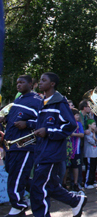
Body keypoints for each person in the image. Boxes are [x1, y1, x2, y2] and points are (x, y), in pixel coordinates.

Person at [31, 72, 87, 217]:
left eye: (44, 80)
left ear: (52, 84)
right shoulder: (42, 102)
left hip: (51, 152)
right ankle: (75, 201)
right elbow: (40, 125)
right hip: (42, 151)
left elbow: (70, 125)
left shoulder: (59, 102)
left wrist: (48, 131)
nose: (40, 82)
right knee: (50, 186)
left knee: (39, 187)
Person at [1, 75, 42, 217]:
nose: (18, 85)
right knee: (15, 174)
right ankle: (43, 192)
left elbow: (44, 123)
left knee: (17, 176)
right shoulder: (19, 99)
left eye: (22, 82)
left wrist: (27, 124)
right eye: (17, 82)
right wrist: (5, 119)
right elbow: (16, 118)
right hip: (11, 145)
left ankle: (18, 206)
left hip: (24, 146)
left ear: (31, 84)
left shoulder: (37, 101)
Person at [63, 108, 84, 192]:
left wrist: (74, 134)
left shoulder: (79, 124)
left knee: (76, 166)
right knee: (66, 167)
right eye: (76, 115)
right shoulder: (67, 124)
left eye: (78, 115)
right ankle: (64, 184)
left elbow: (82, 134)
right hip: (67, 149)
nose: (78, 116)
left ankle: (75, 183)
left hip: (76, 149)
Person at [84, 119, 97, 189]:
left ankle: (92, 181)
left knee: (94, 168)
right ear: (89, 125)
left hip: (94, 154)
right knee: (89, 168)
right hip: (89, 154)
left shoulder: (93, 133)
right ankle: (87, 182)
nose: (95, 126)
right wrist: (94, 137)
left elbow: (96, 142)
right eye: (93, 124)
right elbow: (93, 141)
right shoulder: (88, 133)